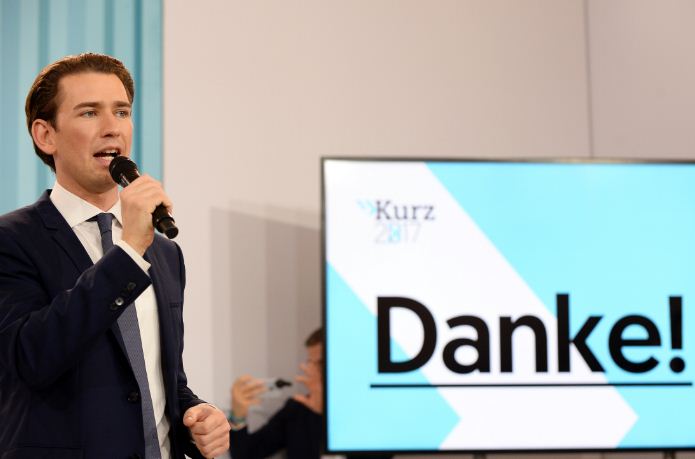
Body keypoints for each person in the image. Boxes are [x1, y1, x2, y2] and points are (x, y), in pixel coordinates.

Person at [0, 53, 230, 458]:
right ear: (45, 135)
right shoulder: (13, 239)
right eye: (89, 113)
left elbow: (158, 378)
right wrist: (127, 254)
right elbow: (30, 359)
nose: (112, 128)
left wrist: (195, 414)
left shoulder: (164, 252)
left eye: (121, 112)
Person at [228, 329, 391, 459]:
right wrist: (238, 417)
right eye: (310, 363)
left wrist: (327, 415)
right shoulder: (298, 408)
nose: (311, 370)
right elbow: (247, 453)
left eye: (320, 363)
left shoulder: (371, 412)